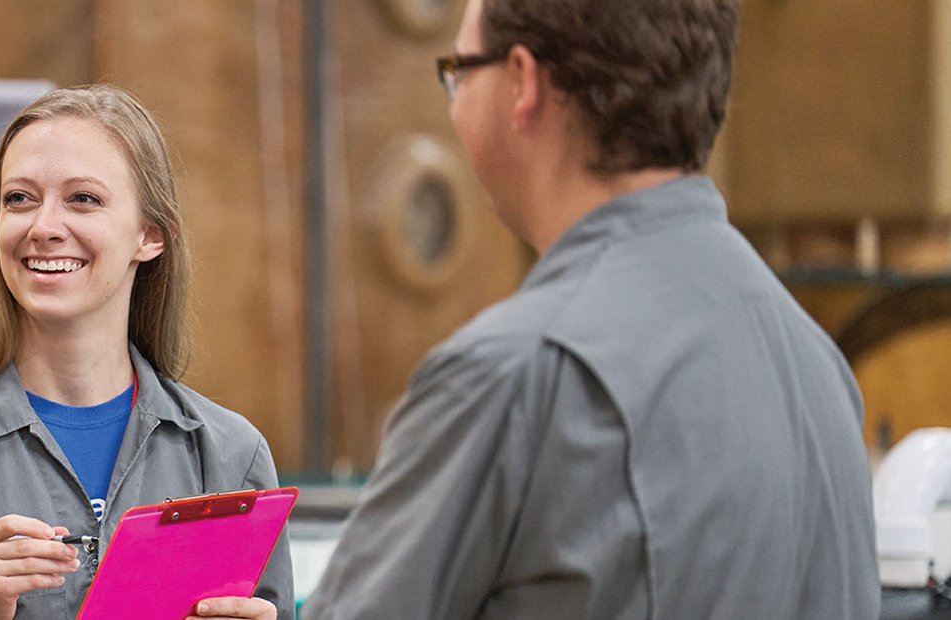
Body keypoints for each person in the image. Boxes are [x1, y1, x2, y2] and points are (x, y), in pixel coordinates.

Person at [304, 0, 878, 618]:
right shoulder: (817, 363)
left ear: (523, 81)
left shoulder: (515, 373)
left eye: (460, 70)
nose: (454, 101)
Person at [0, 84, 292, 620]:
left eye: (83, 199)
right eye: (19, 199)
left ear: (151, 235)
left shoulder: (230, 458)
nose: (44, 227)